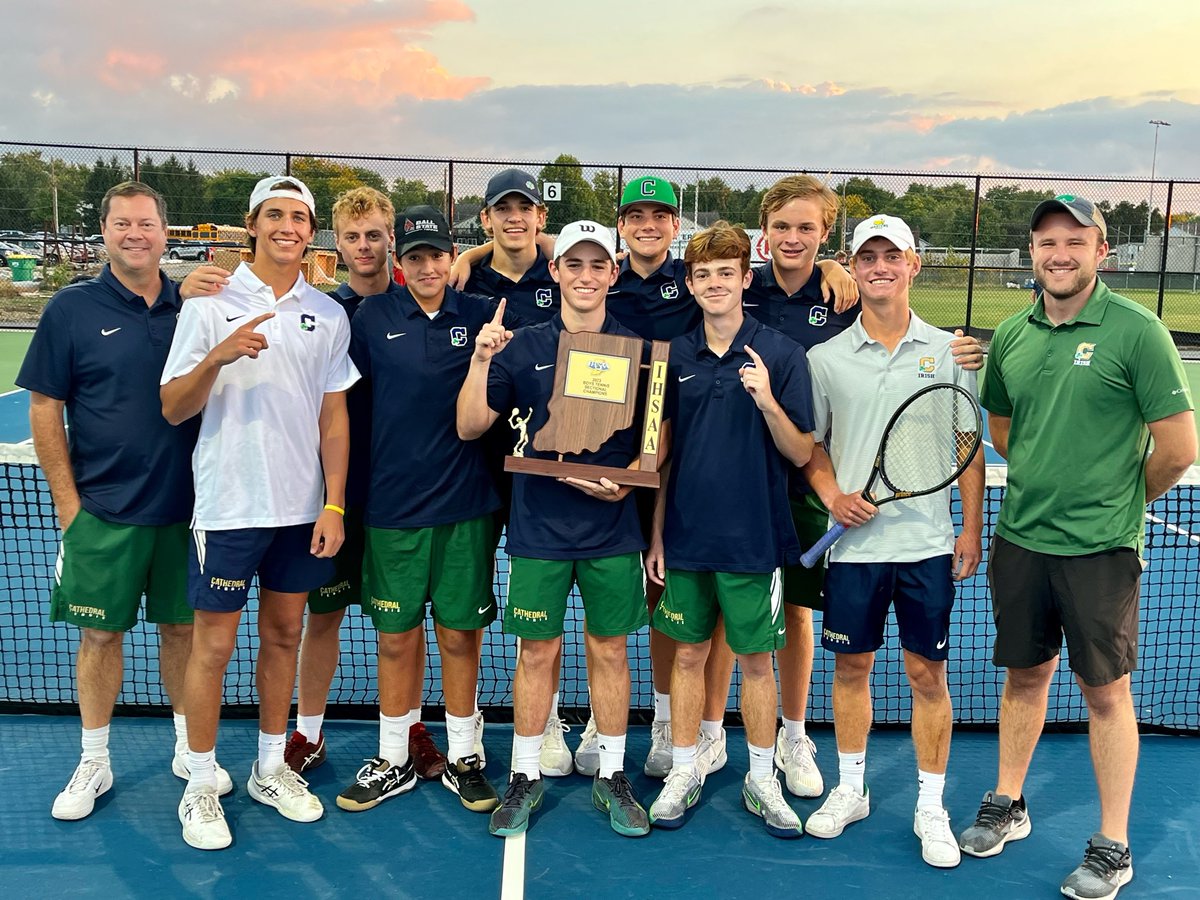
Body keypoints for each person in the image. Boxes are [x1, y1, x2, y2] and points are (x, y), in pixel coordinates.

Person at [960, 195, 1196, 899]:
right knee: (1025, 676)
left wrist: (1117, 504)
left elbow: (1179, 448)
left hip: (1100, 551)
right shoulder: (1012, 335)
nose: (1058, 254)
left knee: (1105, 693)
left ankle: (1112, 845)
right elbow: (1002, 428)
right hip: (1021, 538)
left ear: (1102, 251)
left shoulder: (1137, 331)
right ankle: (1008, 803)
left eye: (1074, 241)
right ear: (1032, 253)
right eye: (1045, 242)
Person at [18, 181, 232, 821]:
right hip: (103, 513)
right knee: (99, 638)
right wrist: (67, 505)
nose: (134, 234)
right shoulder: (70, 309)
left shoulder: (196, 304)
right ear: (105, 232)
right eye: (121, 224)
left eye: (146, 223)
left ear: (167, 234)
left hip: (189, 511)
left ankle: (186, 751)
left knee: (181, 634)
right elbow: (45, 407)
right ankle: (94, 760)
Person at [161, 175, 359, 850]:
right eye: (275, 214)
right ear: (253, 225)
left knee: (282, 638)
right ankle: (200, 781)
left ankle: (271, 768)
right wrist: (217, 356)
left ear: (311, 231)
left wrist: (332, 501)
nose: (288, 226)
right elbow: (174, 407)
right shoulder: (210, 304)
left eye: (300, 217)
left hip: (300, 512)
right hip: (227, 507)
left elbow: (335, 418)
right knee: (212, 646)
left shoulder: (328, 314)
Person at [800, 214, 985, 867]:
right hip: (852, 550)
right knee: (851, 669)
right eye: (867, 256)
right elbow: (811, 448)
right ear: (853, 265)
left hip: (929, 546)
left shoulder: (951, 352)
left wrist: (969, 529)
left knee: (925, 672)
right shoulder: (824, 360)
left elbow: (967, 448)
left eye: (892, 255)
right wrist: (832, 497)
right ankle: (851, 789)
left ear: (914, 264)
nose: (879, 265)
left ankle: (930, 806)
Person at [458, 221, 651, 838]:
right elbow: (469, 426)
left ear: (612, 275)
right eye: (575, 265)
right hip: (538, 529)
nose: (586, 276)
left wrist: (631, 479)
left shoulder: (637, 346)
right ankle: (523, 776)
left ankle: (613, 776)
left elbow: (655, 430)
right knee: (536, 651)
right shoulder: (520, 345)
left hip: (613, 530)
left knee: (610, 649)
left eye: (598, 266)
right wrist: (481, 358)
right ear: (558, 271)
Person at [336, 205, 510, 814]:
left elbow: (530, 261)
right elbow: (341, 410)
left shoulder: (483, 315)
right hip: (391, 509)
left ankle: (464, 755)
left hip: (468, 507)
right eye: (415, 257)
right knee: (395, 639)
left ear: (450, 255)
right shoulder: (367, 319)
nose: (428, 265)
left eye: (439, 254)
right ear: (398, 263)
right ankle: (394, 758)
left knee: (461, 636)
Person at [646, 221, 814, 838]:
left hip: (754, 540)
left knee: (757, 663)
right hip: (687, 539)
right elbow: (661, 458)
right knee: (688, 657)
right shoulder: (673, 358)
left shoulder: (781, 353)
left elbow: (800, 452)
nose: (715, 284)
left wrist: (768, 400)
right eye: (703, 275)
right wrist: (659, 535)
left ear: (746, 280)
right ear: (690, 285)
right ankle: (685, 769)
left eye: (726, 274)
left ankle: (762, 775)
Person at [280, 187, 450, 780]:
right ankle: (308, 732)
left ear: (393, 242)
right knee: (322, 616)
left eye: (375, 235)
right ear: (336, 242)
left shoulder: (424, 302)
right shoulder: (324, 313)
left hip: (406, 495)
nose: (363, 247)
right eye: (352, 237)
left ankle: (411, 729)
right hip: (335, 494)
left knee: (410, 621)